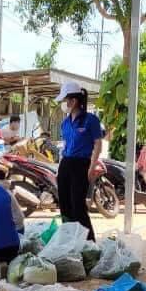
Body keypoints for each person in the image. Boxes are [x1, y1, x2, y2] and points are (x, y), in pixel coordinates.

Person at [55, 81, 103, 242]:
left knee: (78, 206)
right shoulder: (65, 123)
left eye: (66, 100)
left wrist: (92, 166)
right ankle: (70, 240)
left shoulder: (91, 120)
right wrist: (59, 167)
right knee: (65, 205)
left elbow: (97, 144)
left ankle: (89, 243)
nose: (64, 103)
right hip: (66, 164)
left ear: (73, 101)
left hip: (81, 164)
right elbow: (65, 146)